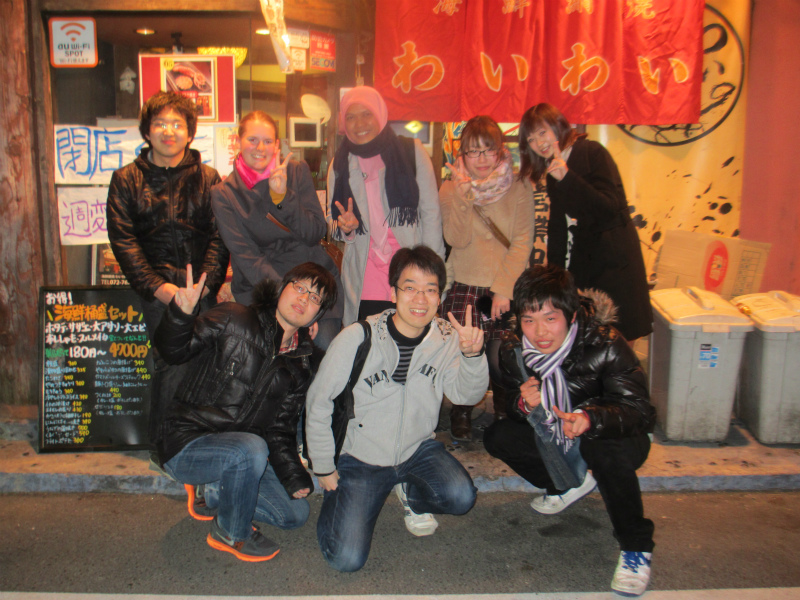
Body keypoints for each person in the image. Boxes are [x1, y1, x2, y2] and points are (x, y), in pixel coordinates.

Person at [305, 245, 488, 572]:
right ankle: (342, 501)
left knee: (461, 497)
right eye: (410, 287)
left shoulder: (446, 339)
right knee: (346, 558)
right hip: (361, 458)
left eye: (430, 290)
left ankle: (412, 494)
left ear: (439, 297)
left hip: (416, 449)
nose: (420, 299)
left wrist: (472, 356)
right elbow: (319, 400)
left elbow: (464, 395)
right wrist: (323, 465)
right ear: (393, 293)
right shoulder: (358, 336)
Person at [483, 264, 656, 597]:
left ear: (571, 315)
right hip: (559, 436)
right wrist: (524, 405)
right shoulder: (514, 350)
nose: (539, 332)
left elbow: (639, 410)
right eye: (528, 320)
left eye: (550, 318)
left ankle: (636, 547)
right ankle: (567, 484)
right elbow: (516, 413)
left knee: (599, 447)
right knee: (498, 437)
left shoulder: (605, 343)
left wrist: (591, 418)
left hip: (616, 436)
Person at [153, 261, 337, 562]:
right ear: (282, 288)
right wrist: (180, 314)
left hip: (241, 454)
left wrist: (293, 476)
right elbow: (172, 352)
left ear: (318, 314)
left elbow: (279, 430)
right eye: (299, 288)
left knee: (295, 514)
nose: (304, 299)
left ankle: (213, 490)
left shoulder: (300, 365)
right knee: (250, 448)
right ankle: (230, 531)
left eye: (315, 298)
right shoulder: (234, 318)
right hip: (187, 441)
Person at [106, 91, 229, 452]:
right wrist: (159, 288)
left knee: (205, 363)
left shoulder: (208, 177)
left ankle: (198, 444)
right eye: (160, 123)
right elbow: (124, 241)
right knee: (169, 363)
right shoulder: (126, 179)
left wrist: (204, 286)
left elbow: (219, 236)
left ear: (189, 132)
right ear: (147, 131)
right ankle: (165, 448)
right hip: (157, 292)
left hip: (200, 289)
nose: (168, 131)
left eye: (177, 123)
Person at [518, 103, 652, 342]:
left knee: (619, 338)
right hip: (585, 263)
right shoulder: (553, 168)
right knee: (589, 337)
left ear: (558, 126)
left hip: (614, 262)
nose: (539, 143)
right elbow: (558, 228)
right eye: (531, 139)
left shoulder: (592, 152)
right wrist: (554, 277)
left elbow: (609, 208)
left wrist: (567, 177)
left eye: (542, 132)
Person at [211, 111, 343, 349]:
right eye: (252, 140)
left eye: (267, 141)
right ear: (238, 141)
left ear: (277, 145)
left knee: (324, 348)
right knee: (265, 355)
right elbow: (247, 256)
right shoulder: (224, 194)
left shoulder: (296, 172)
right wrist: (291, 301)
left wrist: (282, 198)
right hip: (262, 288)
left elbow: (315, 232)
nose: (260, 148)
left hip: (312, 282)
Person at [440, 115, 534, 440]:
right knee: (464, 351)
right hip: (465, 284)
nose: (481, 159)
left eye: (488, 150)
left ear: (500, 150)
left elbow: (522, 241)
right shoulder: (450, 188)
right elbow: (455, 239)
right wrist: (464, 198)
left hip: (504, 286)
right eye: (473, 151)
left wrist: (503, 289)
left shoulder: (519, 186)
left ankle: (505, 409)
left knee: (501, 357)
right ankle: (462, 409)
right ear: (462, 154)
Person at [328, 86, 445, 326]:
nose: (359, 123)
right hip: (365, 272)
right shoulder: (339, 164)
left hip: (410, 267)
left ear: (380, 115)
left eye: (366, 114)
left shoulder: (411, 152)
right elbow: (333, 223)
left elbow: (431, 215)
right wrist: (346, 228)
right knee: (368, 337)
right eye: (351, 117)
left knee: (410, 336)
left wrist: (434, 275)